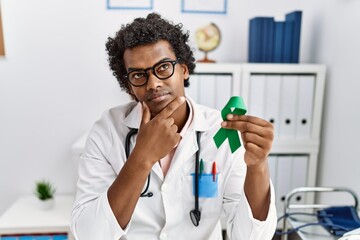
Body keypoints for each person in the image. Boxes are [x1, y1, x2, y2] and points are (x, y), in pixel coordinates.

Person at [71, 13, 277, 240]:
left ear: (184, 69)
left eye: (163, 68)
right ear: (129, 85)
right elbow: (89, 234)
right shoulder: (107, 131)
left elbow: (252, 237)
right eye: (139, 75)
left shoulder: (220, 131)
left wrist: (258, 166)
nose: (153, 83)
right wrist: (141, 158)